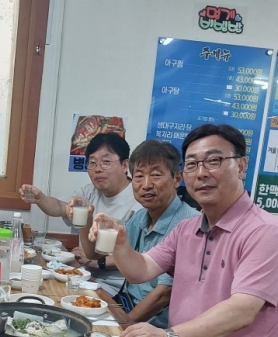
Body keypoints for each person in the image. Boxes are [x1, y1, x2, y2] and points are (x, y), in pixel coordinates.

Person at [91, 124, 278, 337]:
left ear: (241, 166)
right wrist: (120, 244)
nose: (201, 173)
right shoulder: (187, 230)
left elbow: (242, 310)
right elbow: (140, 270)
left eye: (213, 161)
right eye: (193, 164)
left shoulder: (265, 232)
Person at [78, 140, 197, 327]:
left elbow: (164, 294)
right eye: (139, 176)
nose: (146, 185)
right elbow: (94, 254)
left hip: (157, 326)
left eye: (156, 175)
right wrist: (87, 221)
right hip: (125, 304)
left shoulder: (189, 224)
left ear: (177, 179)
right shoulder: (141, 217)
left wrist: (123, 324)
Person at [20, 132, 142, 294]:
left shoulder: (138, 200)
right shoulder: (90, 192)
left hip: (115, 286)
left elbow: (140, 256)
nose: (98, 169)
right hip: (84, 274)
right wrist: (40, 198)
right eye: (92, 163)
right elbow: (60, 207)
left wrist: (97, 262)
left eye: (106, 162)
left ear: (125, 165)